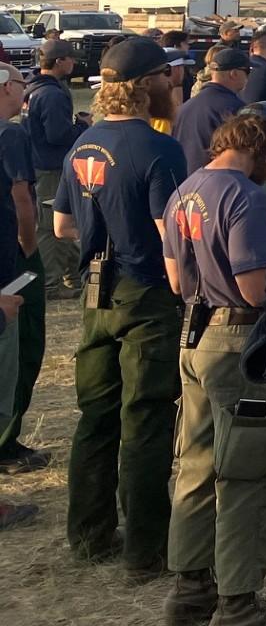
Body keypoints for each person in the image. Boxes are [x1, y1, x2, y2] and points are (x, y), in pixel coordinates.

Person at [51, 36, 188, 579]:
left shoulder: (82, 145)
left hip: (94, 292)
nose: (173, 87)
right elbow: (168, 232)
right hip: (146, 290)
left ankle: (88, 535)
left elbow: (62, 226)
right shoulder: (159, 149)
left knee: (97, 416)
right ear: (148, 84)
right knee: (147, 417)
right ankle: (145, 550)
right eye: (167, 79)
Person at [161, 106, 266, 626]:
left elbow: (175, 280)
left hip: (192, 336)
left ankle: (190, 588)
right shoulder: (246, 197)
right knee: (248, 475)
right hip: (237, 339)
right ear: (262, 143)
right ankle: (239, 604)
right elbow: (253, 286)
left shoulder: (185, 191)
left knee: (196, 465)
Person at [0, 63, 45, 508]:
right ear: (7, 88)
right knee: (17, 355)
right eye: (20, 86)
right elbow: (21, 199)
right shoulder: (10, 134)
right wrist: (29, 252)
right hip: (10, 268)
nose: (24, 94)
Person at [25, 38, 86, 294]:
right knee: (52, 228)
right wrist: (82, 125)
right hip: (51, 167)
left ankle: (72, 276)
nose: (74, 62)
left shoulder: (35, 88)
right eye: (70, 57)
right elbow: (57, 135)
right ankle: (51, 283)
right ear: (59, 61)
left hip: (40, 164)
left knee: (60, 223)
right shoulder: (50, 94)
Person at [176, 47, 252, 174]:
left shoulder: (184, 108)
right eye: (247, 71)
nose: (248, 77)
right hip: (219, 185)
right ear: (234, 73)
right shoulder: (235, 110)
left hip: (185, 186)